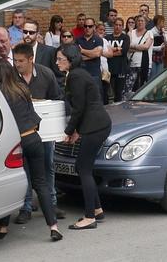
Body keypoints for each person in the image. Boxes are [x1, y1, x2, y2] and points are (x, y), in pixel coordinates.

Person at [0, 60, 63, 241]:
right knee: (41, 184)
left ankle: (3, 228)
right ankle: (54, 227)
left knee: (10, 185)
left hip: (15, 143)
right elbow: (34, 117)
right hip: (33, 138)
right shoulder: (22, 89)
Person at [55, 44, 111, 230]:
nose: (57, 62)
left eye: (60, 59)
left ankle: (89, 217)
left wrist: (69, 131)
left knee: (83, 168)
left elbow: (78, 108)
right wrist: (76, 130)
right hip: (95, 124)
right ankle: (97, 210)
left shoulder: (76, 76)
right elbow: (82, 106)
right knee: (84, 168)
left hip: (95, 126)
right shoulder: (77, 74)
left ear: (70, 59)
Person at [12, 44, 66, 224]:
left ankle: (51, 204)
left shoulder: (45, 74)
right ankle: (26, 207)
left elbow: (58, 99)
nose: (17, 64)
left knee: (48, 166)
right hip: (24, 131)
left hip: (46, 130)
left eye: (20, 61)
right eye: (15, 60)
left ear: (30, 59)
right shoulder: (11, 77)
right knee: (24, 170)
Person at [76, 17, 103, 96]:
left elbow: (98, 53)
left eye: (90, 26)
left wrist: (83, 51)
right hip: (81, 74)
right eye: (85, 26)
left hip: (94, 74)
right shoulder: (78, 40)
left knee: (96, 97)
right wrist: (92, 54)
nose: (87, 28)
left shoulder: (98, 39)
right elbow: (77, 56)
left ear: (94, 27)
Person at [105, 17, 130, 102]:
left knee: (119, 92)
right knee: (109, 92)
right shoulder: (107, 38)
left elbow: (123, 52)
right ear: (113, 25)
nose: (118, 27)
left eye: (120, 25)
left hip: (121, 68)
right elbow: (105, 51)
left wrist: (110, 53)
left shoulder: (125, 38)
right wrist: (116, 50)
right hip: (109, 69)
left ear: (122, 27)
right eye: (116, 25)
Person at [126, 16, 153, 93]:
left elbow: (146, 47)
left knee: (142, 89)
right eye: (138, 21)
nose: (140, 22)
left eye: (142, 21)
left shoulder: (149, 33)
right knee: (129, 88)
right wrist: (139, 47)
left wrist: (133, 46)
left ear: (145, 23)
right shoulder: (131, 32)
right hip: (132, 65)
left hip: (144, 65)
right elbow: (127, 47)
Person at [96, 22, 114, 104]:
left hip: (105, 71)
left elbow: (110, 54)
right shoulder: (93, 40)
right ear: (96, 30)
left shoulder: (105, 41)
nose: (102, 31)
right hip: (96, 70)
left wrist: (99, 52)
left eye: (104, 30)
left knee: (105, 92)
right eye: (100, 29)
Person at [150, 15, 166, 79]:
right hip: (153, 56)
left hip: (160, 56)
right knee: (153, 76)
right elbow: (150, 46)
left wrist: (164, 34)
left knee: (159, 75)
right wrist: (159, 48)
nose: (164, 23)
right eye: (163, 22)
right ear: (158, 22)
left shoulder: (162, 31)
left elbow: (165, 42)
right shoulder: (152, 32)